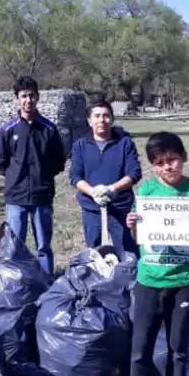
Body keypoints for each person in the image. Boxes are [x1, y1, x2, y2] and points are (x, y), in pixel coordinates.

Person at [119, 132, 189, 376]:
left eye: (172, 160)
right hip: (149, 279)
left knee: (178, 346)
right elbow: (138, 238)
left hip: (184, 279)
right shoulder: (145, 191)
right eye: (159, 163)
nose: (167, 168)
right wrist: (132, 226)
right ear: (152, 166)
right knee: (140, 345)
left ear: (183, 157)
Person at [0, 76, 65, 275]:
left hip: (42, 197)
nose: (28, 100)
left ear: (38, 97)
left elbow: (59, 161)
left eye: (31, 96)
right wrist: (15, 178)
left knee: (43, 246)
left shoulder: (49, 129)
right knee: (15, 247)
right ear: (17, 99)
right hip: (16, 197)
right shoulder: (8, 130)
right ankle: (18, 283)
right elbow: (0, 162)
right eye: (23, 96)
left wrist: (41, 176)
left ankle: (46, 283)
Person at [68, 96, 142, 260]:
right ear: (89, 120)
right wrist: (93, 192)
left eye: (106, 115)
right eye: (97, 116)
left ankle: (128, 284)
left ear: (112, 119)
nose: (102, 120)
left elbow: (134, 173)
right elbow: (75, 176)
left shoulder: (125, 143)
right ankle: (98, 284)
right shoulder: (80, 146)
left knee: (127, 253)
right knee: (94, 254)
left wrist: (112, 189)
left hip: (121, 208)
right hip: (92, 209)